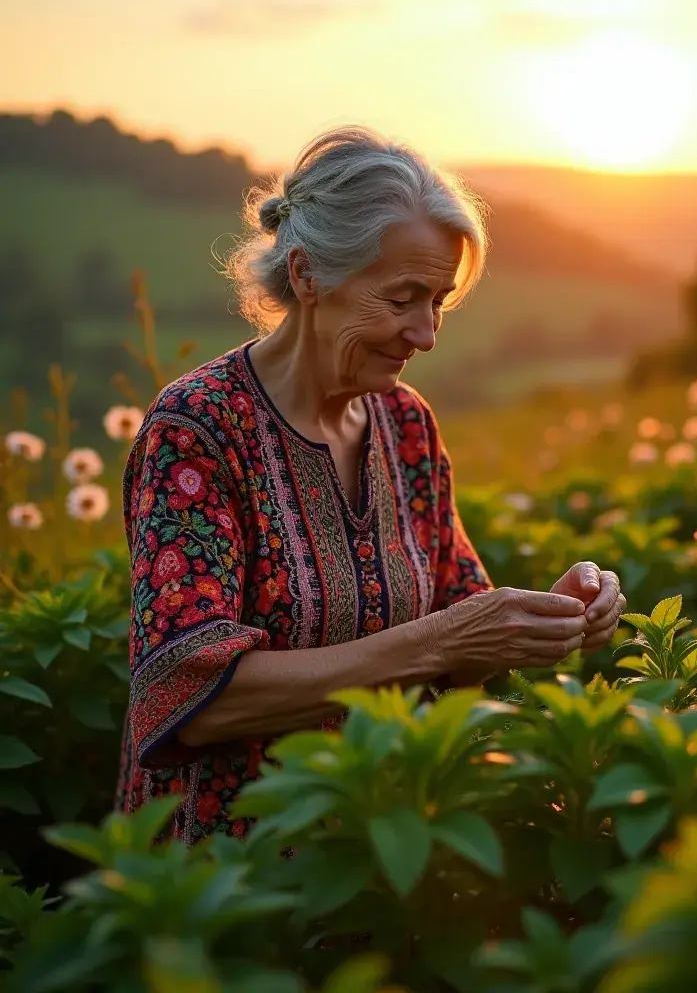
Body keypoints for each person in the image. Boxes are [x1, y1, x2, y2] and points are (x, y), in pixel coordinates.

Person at [115, 125, 626, 843]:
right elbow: (188, 695)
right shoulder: (199, 429)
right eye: (401, 299)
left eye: (439, 301)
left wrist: (552, 614)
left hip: (377, 851)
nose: (426, 333)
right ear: (306, 276)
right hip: (224, 879)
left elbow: (458, 614)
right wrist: (440, 643)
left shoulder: (407, 427)